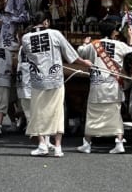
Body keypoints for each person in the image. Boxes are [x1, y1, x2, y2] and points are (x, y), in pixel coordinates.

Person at [22, 12, 92, 157]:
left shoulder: (25, 38)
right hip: (55, 79)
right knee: (57, 112)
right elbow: (71, 55)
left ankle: (42, 144)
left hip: (37, 80)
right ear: (46, 22)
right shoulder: (55, 34)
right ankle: (58, 147)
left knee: (38, 112)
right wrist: (84, 62)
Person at [77, 21, 132, 154]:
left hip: (97, 85)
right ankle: (119, 143)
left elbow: (81, 51)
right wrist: (131, 36)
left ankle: (87, 143)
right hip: (114, 86)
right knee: (115, 115)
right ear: (113, 32)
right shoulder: (120, 45)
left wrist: (85, 42)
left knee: (93, 115)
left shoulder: (93, 45)